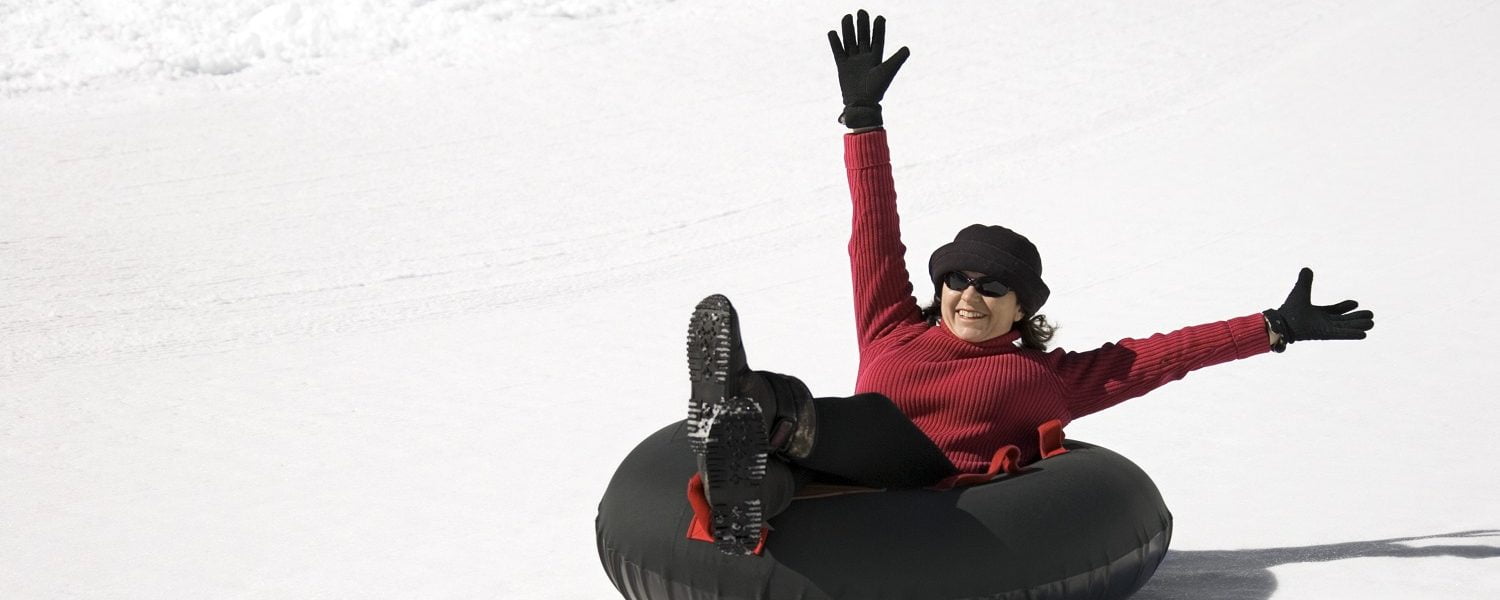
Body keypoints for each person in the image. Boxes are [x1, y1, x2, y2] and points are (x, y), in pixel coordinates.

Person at [683, 10, 1374, 557]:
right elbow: (874, 228)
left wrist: (1272, 328)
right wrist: (863, 121)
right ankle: (744, 436)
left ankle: (757, 415)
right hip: (837, 460)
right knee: (800, 454)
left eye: (990, 287)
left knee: (867, 425)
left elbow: (1167, 356)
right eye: (956, 279)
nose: (968, 296)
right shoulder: (892, 323)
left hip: (929, 483)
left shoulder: (1048, 375)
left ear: (1021, 307)